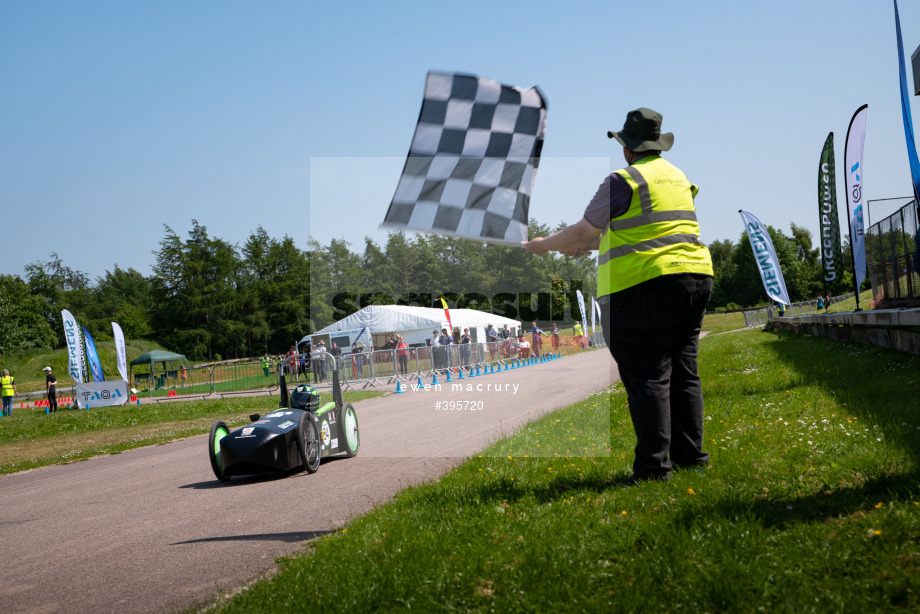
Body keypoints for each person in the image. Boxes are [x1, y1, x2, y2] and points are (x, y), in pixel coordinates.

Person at [525, 107, 714, 485]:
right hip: (695, 278)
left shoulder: (622, 181)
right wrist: (588, 246)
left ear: (626, 147)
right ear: (657, 145)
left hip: (643, 287)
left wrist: (544, 245)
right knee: (684, 374)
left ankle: (652, 470)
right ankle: (692, 460)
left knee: (649, 379)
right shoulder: (677, 178)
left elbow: (582, 232)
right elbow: (644, 232)